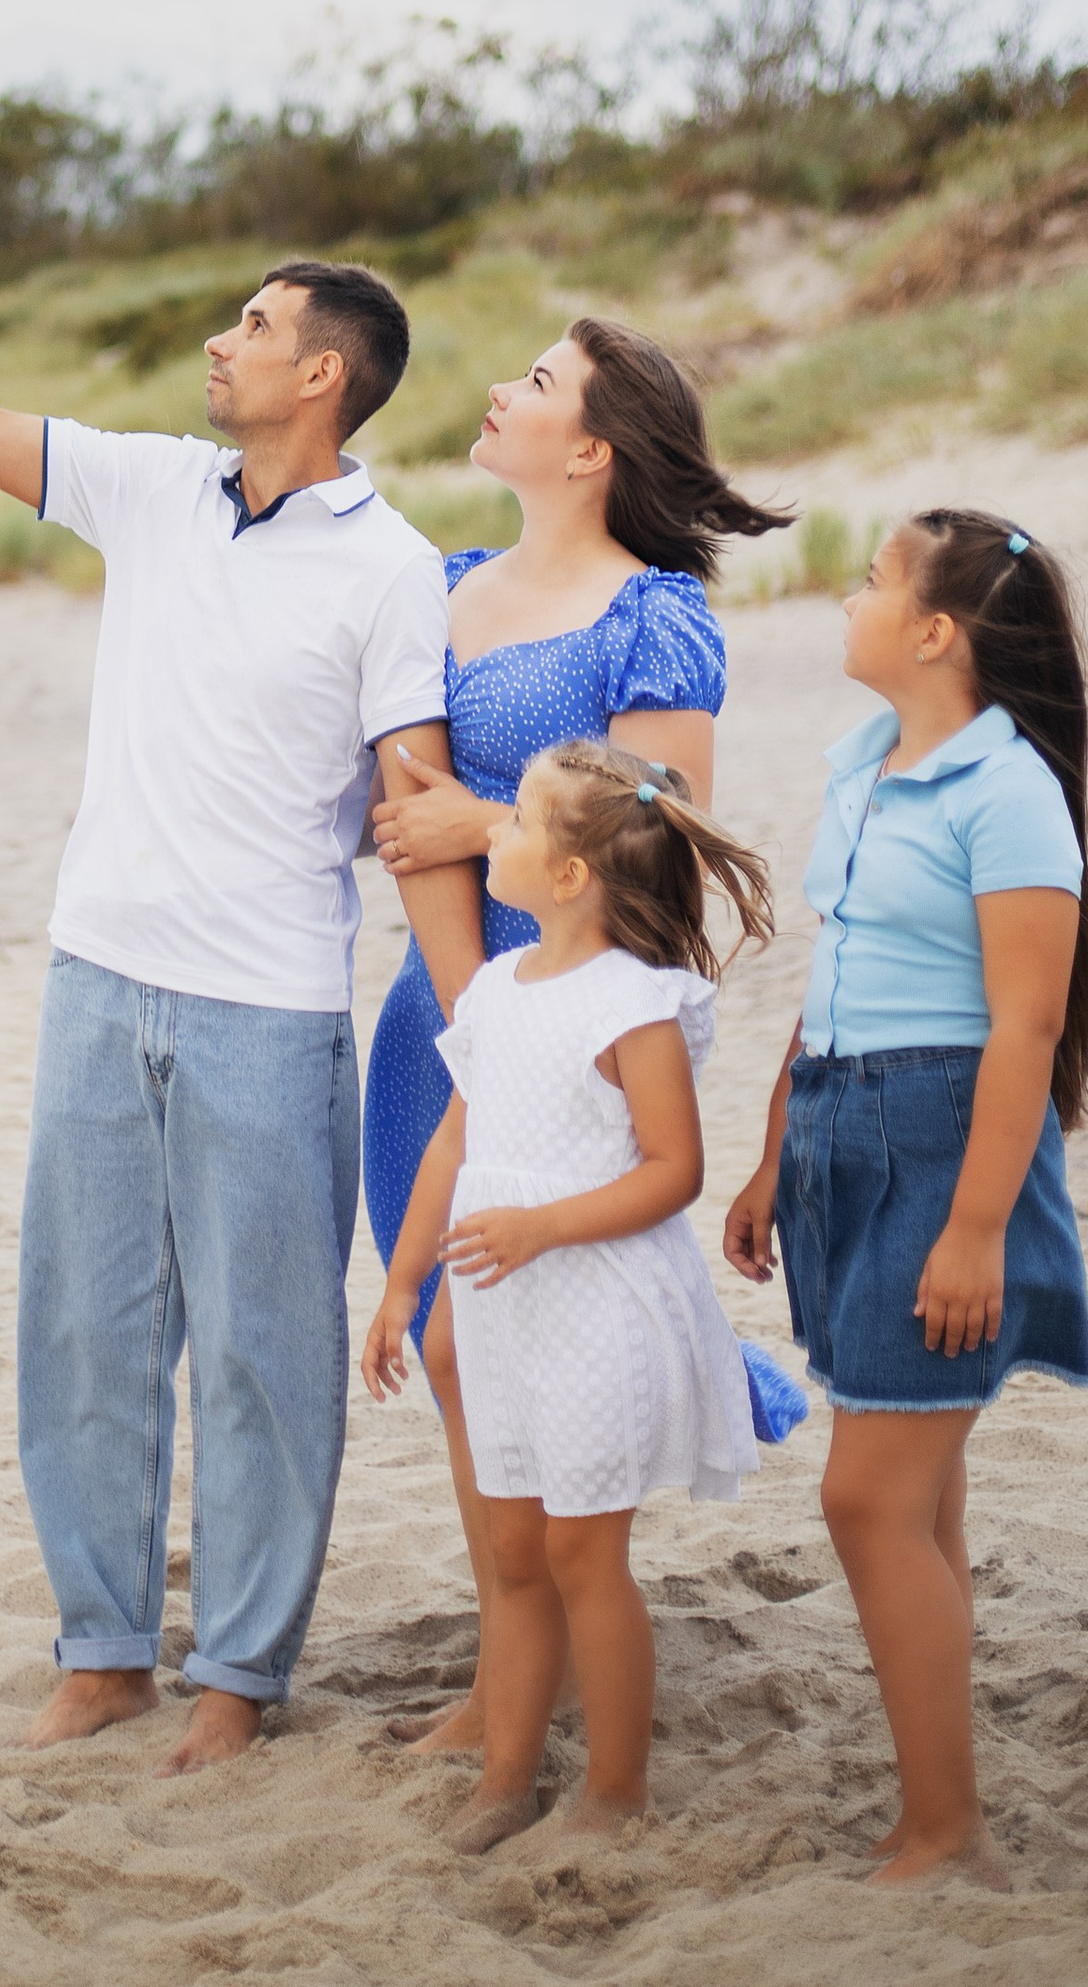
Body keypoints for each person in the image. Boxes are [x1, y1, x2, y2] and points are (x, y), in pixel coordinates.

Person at [0, 102, 467, 1773]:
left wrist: (485, 1020)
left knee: (267, 1358)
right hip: (98, 977)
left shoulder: (394, 571)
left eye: (254, 325)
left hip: (269, 1011)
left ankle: (243, 1676)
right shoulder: (155, 488)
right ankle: (105, 1649)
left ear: (325, 374)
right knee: (88, 1327)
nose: (221, 338)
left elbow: (413, 800)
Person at [360, 320, 789, 1749]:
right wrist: (467, 994)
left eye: (535, 383)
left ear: (593, 448)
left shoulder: (651, 615)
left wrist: (484, 824)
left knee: (538, 1337)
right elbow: (394, 798)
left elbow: (660, 843)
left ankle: (535, 1673)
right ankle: (504, 1675)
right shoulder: (447, 587)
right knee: (453, 1339)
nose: (499, 391)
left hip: (580, 1033)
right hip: (444, 1014)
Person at [725, 510, 1088, 1889]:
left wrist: (975, 1228)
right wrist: (776, 1148)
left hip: (946, 1146)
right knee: (918, 1493)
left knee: (866, 1501)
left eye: (876, 581)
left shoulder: (1008, 793)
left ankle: (947, 1831)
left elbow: (1026, 1026)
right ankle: (937, 1804)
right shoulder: (872, 763)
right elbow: (838, 974)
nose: (852, 595)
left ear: (937, 632)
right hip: (842, 1124)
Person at [363, 742, 781, 1850]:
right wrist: (403, 1282)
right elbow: (455, 1139)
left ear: (566, 878)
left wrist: (543, 1226)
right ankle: (505, 1776)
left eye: (515, 825)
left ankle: (615, 1788)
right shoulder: (495, 990)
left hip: (592, 1306)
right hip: (499, 1309)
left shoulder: (634, 1005)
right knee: (510, 1555)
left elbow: (670, 1170)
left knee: (581, 1557)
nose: (491, 832)